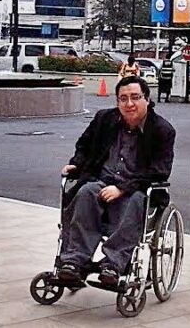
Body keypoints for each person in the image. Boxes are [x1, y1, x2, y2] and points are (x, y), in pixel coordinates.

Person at [57, 76, 175, 286]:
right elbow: (84, 145)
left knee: (136, 201)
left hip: (137, 187)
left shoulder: (162, 130)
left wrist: (122, 188)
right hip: (101, 180)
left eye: (135, 97)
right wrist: (76, 164)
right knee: (86, 192)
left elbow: (159, 171)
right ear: (117, 102)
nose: (129, 104)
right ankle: (73, 262)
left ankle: (113, 264)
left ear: (147, 99)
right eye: (123, 98)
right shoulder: (105, 119)